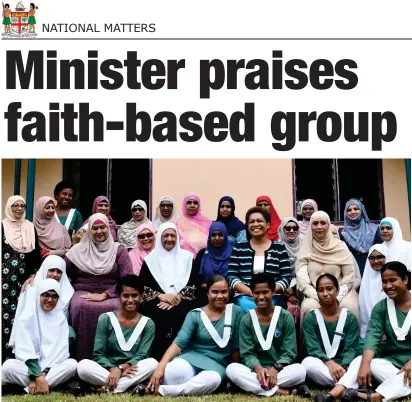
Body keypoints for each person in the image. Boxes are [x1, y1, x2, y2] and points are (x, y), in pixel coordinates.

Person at [312, 262, 411, 402]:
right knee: (365, 361)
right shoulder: (381, 308)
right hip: (394, 367)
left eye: (393, 280)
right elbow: (372, 336)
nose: (388, 286)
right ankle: (334, 394)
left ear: (405, 279)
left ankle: (375, 396)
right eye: (384, 281)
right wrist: (365, 365)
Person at [147, 275, 244, 396]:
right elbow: (179, 342)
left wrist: (233, 377)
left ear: (229, 292)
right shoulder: (195, 315)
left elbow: (236, 347)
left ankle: (163, 391)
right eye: (215, 292)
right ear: (207, 293)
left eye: (224, 292)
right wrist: (161, 366)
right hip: (191, 358)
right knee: (172, 372)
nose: (220, 296)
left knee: (212, 380)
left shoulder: (236, 312)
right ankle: (181, 386)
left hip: (218, 365)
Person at [226, 273, 310, 397]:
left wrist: (275, 369)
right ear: (252, 294)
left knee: (300, 371)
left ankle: (249, 387)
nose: (261, 297)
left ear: (273, 291)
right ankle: (283, 391)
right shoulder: (246, 319)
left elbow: (290, 352)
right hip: (255, 371)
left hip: (280, 370)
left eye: (265, 292)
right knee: (232, 369)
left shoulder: (285, 316)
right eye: (256, 293)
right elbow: (247, 354)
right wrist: (258, 368)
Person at [65, 213, 133, 361]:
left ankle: (115, 359)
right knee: (80, 306)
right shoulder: (77, 250)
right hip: (82, 290)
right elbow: (64, 273)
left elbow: (127, 279)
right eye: (95, 228)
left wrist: (106, 294)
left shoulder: (119, 250)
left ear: (108, 228)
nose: (99, 231)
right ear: (89, 231)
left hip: (113, 292)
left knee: (117, 307)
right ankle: (83, 359)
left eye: (103, 227)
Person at [77, 275, 158, 394]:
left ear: (140, 297)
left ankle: (104, 389)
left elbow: (142, 355)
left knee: (152, 363)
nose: (130, 300)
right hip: (108, 370)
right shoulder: (106, 319)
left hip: (131, 369)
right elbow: (98, 354)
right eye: (126, 295)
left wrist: (121, 368)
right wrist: (113, 369)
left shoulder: (147, 323)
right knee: (82, 366)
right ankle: (127, 387)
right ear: (119, 298)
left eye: (134, 295)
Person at [2, 279, 77, 394]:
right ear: (38, 295)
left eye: (54, 296)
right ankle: (45, 385)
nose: (49, 300)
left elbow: (59, 354)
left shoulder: (60, 320)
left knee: (72, 364)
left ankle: (30, 388)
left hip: (51, 369)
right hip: (29, 367)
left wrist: (41, 376)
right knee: (8, 366)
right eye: (45, 295)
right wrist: (37, 376)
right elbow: (25, 351)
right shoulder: (26, 319)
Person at [139, 222, 200, 360]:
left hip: (184, 299)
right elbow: (143, 286)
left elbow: (194, 283)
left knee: (185, 312)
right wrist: (161, 296)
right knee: (156, 312)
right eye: (165, 235)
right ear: (160, 237)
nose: (169, 239)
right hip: (158, 300)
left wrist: (177, 297)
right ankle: (155, 357)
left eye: (173, 235)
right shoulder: (150, 260)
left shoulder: (188, 258)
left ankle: (185, 357)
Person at [302, 274, 359, 401]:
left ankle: (334, 391)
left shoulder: (349, 317)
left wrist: (343, 366)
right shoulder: (311, 318)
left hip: (345, 367)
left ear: (337, 290)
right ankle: (347, 385)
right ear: (316, 292)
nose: (325, 293)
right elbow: (313, 348)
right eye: (320, 290)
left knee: (360, 360)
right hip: (323, 367)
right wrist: (330, 364)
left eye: (329, 288)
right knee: (307, 363)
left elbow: (351, 348)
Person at [296, 211, 359, 322]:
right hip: (315, 292)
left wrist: (336, 297)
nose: (319, 227)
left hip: (340, 291)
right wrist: (318, 295)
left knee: (350, 307)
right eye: (315, 223)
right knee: (309, 307)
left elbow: (349, 276)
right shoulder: (305, 248)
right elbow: (302, 279)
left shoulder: (340, 246)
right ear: (311, 226)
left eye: (323, 223)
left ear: (328, 225)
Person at [228, 207, 292, 312]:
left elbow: (286, 276)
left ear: (268, 225)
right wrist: (249, 292)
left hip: (273, 297)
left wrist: (269, 292)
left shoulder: (279, 248)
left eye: (259, 221)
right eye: (251, 222)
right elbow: (232, 276)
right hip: (244, 297)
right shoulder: (239, 248)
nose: (255, 224)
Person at [1, 196, 41, 362]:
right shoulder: (2, 226)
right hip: (4, 279)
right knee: (5, 315)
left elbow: (36, 254)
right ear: (9, 207)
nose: (18, 209)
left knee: (22, 314)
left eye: (22, 206)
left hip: (24, 280)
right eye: (15, 206)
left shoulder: (29, 227)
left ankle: (19, 353)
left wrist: (33, 275)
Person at [11, 255, 74, 352]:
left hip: (55, 341)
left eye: (59, 271)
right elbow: (23, 321)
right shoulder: (31, 289)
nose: (55, 275)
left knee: (71, 362)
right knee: (8, 366)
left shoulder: (67, 292)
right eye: (51, 270)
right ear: (45, 269)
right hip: (32, 339)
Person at [339, 199, 382, 276]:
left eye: (356, 209)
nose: (352, 212)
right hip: (352, 273)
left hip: (373, 270)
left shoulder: (374, 229)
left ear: (362, 210)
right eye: (349, 210)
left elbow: (381, 251)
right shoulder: (342, 233)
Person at [359, 244, 389, 338]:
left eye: (380, 257)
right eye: (372, 258)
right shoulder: (365, 282)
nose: (376, 261)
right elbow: (364, 311)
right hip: (370, 332)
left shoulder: (393, 280)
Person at [278, 217, 301, 326]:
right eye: (287, 228)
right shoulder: (276, 248)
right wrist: (287, 290)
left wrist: (294, 289)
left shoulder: (304, 246)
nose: (292, 231)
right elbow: (274, 272)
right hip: (281, 287)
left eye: (295, 228)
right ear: (282, 229)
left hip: (300, 286)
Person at [177, 193, 212, 257]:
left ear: (199, 205)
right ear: (184, 205)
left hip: (204, 260)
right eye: (189, 203)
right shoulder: (178, 223)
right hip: (185, 261)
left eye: (195, 203)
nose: (192, 205)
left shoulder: (208, 223)